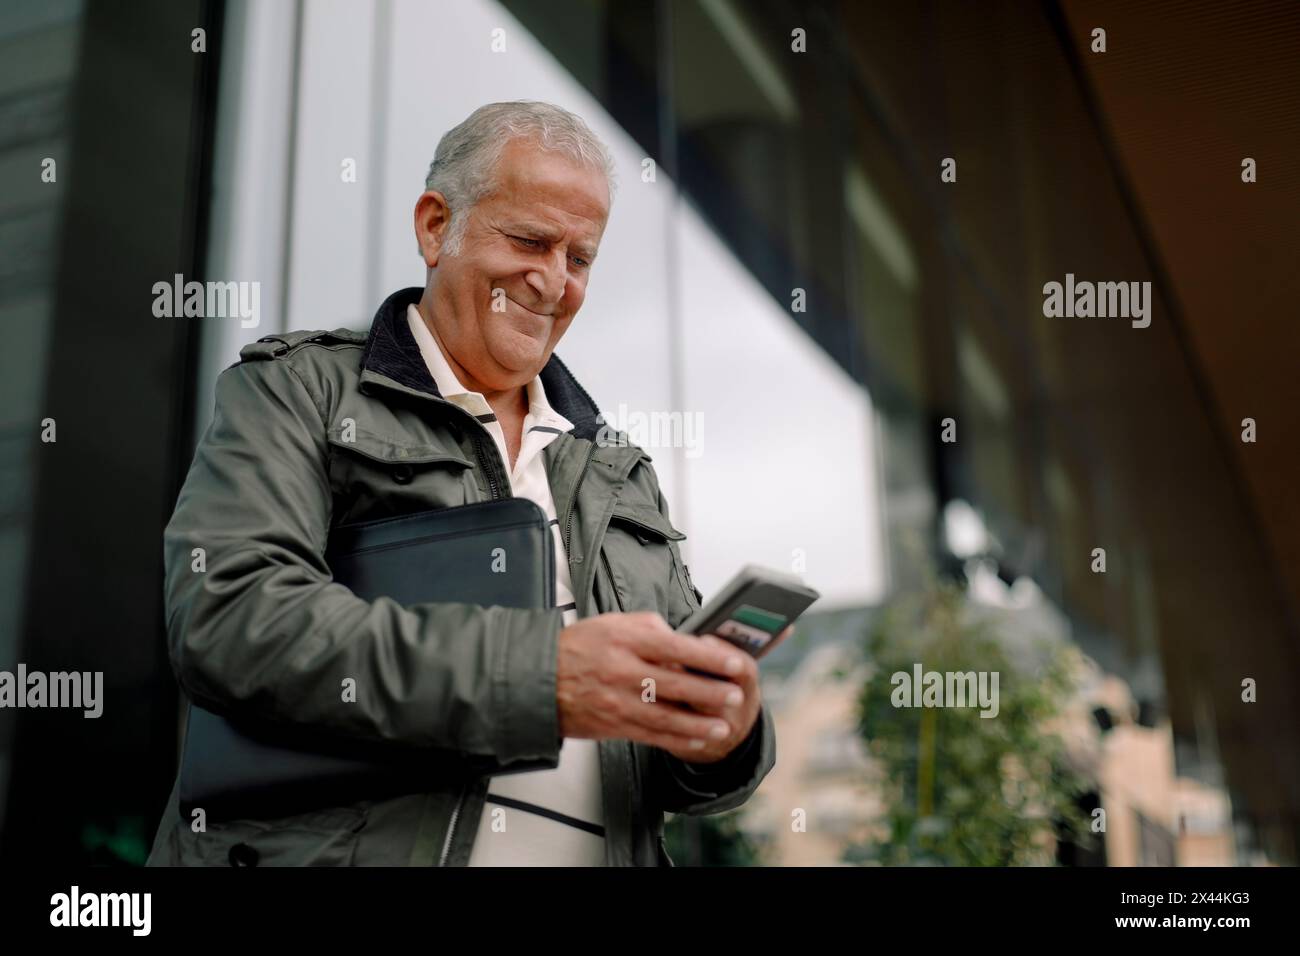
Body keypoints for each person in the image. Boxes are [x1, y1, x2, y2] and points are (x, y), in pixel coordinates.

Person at [146, 100, 781, 867]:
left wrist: (726, 735)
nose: (552, 281)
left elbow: (673, 763)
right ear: (434, 226)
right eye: (529, 240)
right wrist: (540, 676)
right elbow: (232, 615)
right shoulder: (297, 392)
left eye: (579, 258)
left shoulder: (620, 473)